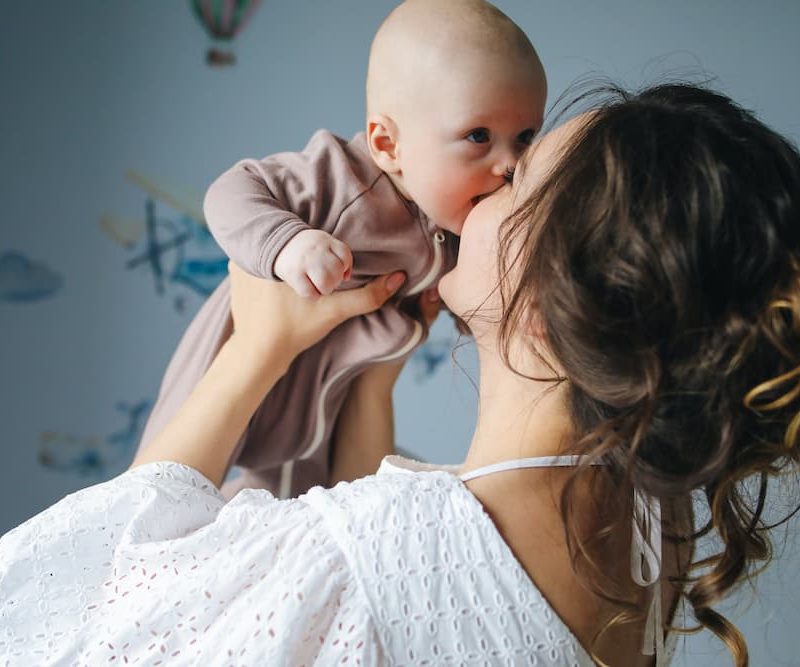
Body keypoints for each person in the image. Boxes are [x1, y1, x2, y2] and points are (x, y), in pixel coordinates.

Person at [3, 82, 799, 666]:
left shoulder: (363, 557)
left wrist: (255, 350)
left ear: (552, 308)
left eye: (517, 181)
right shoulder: (642, 543)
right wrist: (373, 383)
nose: (485, 183)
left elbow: (91, 604)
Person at [136, 0, 547, 499]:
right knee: (162, 492)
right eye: (478, 136)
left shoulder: (459, 218)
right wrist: (287, 242)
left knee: (302, 507)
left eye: (525, 138)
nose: (508, 163)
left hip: (329, 395)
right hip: (245, 356)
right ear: (388, 144)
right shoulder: (341, 179)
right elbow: (233, 189)